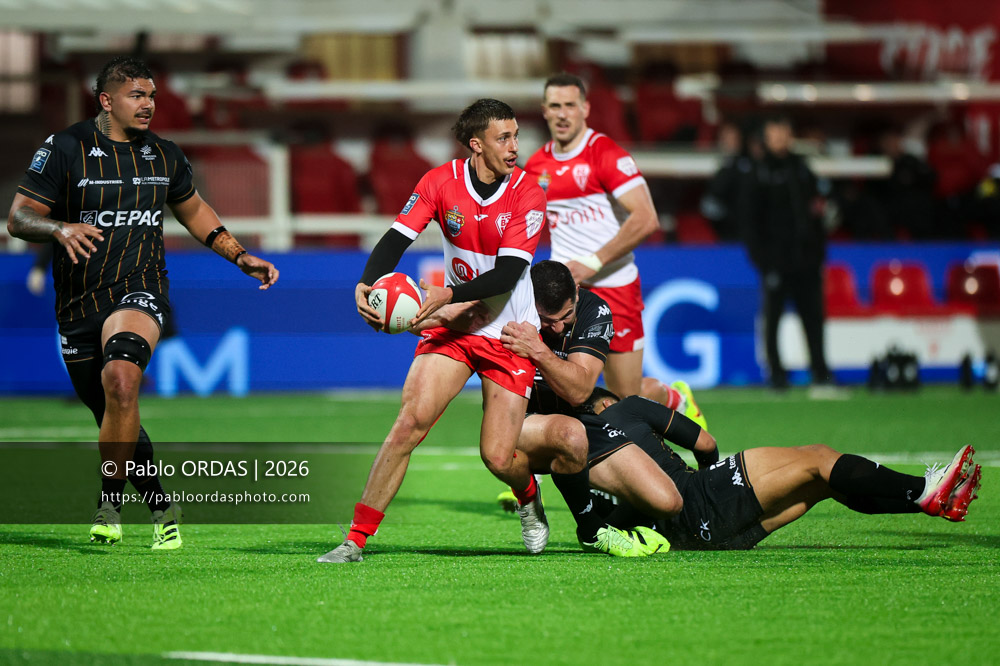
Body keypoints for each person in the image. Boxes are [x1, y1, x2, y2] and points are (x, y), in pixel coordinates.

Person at [6, 56, 279, 549]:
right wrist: (58, 228)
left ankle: (109, 504)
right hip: (77, 301)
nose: (149, 104)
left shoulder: (164, 155)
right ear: (106, 100)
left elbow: (194, 210)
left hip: (141, 286)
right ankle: (160, 504)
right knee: (111, 409)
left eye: (151, 95)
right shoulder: (66, 148)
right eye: (137, 95)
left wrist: (239, 256)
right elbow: (19, 217)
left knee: (123, 379)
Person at [319, 98, 573, 564]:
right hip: (455, 326)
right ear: (476, 144)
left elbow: (508, 276)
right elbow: (397, 238)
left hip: (509, 332)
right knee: (408, 425)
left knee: (498, 458)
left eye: (516, 135)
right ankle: (355, 539)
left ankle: (529, 494)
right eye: (504, 137)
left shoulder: (527, 193)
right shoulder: (439, 182)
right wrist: (366, 281)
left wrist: (445, 296)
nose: (515, 146)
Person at [582, 388, 982, 549]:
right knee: (821, 457)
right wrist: (711, 475)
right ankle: (923, 489)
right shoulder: (624, 408)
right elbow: (705, 442)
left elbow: (613, 518)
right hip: (701, 497)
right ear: (603, 403)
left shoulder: (585, 454)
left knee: (824, 482)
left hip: (705, 538)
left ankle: (928, 501)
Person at [523, 73, 705, 426]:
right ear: (544, 111)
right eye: (555, 106)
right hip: (565, 296)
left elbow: (646, 218)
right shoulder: (536, 167)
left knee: (626, 399)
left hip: (614, 288)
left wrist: (592, 262)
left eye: (570, 105)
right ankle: (526, 481)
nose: (562, 114)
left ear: (585, 108)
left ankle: (675, 398)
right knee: (548, 387)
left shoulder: (605, 154)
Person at [496, 260, 681, 556]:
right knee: (568, 434)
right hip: (519, 421)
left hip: (577, 418)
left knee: (667, 501)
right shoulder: (507, 308)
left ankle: (588, 491)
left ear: (578, 294)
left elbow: (578, 390)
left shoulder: (595, 311)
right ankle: (589, 529)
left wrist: (537, 348)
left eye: (565, 315)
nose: (556, 327)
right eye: (545, 320)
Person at [735, 115, 832, 389]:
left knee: (813, 318)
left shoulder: (801, 168)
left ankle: (821, 372)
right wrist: (763, 261)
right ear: (766, 138)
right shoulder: (758, 172)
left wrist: (818, 251)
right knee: (773, 319)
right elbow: (749, 223)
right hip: (775, 261)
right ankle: (776, 374)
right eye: (775, 133)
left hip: (807, 259)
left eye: (785, 132)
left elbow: (817, 210)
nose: (780, 138)